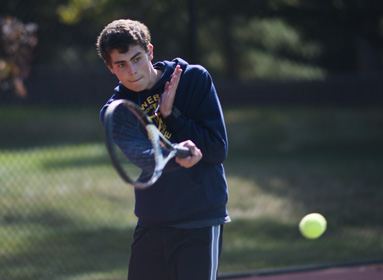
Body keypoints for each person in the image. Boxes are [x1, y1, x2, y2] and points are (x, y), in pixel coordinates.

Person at [96, 19, 230, 280]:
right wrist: (177, 154)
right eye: (121, 64)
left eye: (137, 58)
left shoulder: (192, 78)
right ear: (110, 67)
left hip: (200, 217)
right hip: (152, 221)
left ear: (150, 51)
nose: (132, 71)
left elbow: (216, 148)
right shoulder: (116, 110)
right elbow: (144, 157)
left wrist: (172, 116)